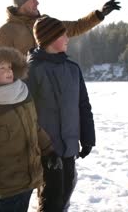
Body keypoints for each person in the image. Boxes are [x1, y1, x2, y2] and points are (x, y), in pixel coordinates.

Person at [0, 46, 56, 212]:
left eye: (9, 66)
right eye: (1, 68)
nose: (9, 71)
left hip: (29, 178)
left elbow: (35, 127)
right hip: (7, 186)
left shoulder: (23, 94)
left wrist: (49, 151)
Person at [26, 16, 96, 211]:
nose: (67, 38)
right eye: (63, 34)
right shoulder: (33, 70)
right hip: (47, 152)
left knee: (66, 192)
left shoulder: (73, 69)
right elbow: (26, 114)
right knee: (51, 200)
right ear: (50, 38)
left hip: (69, 148)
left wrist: (88, 137)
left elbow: (83, 105)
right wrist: (37, 148)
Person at [0, 0, 121, 55]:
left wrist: (99, 14)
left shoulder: (45, 23)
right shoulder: (6, 31)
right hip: (26, 90)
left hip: (51, 82)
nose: (38, 3)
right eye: (33, 0)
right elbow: (3, 62)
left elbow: (76, 27)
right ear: (21, 2)